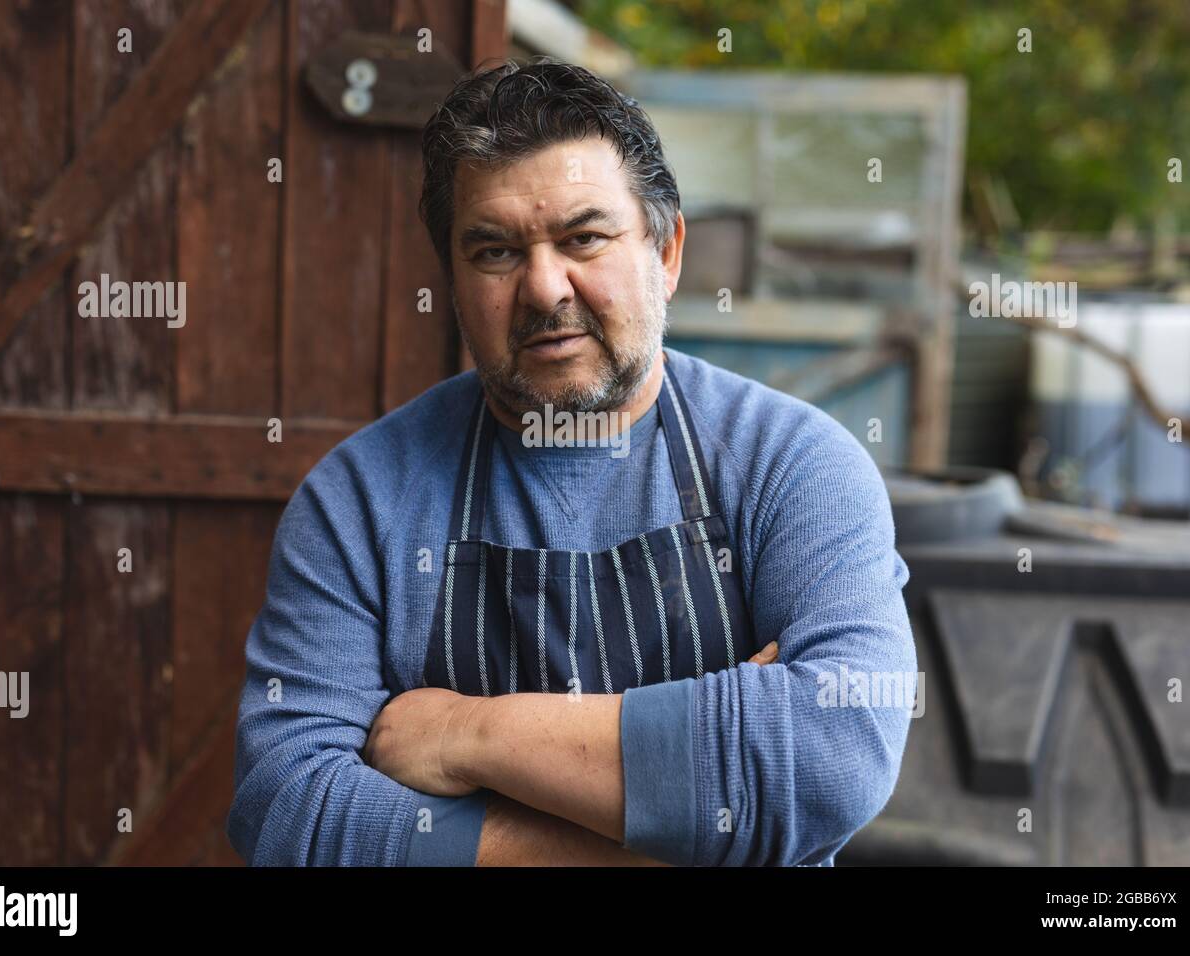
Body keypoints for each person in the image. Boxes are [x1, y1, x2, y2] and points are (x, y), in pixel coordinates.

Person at [226, 58, 916, 867]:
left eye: (584, 238)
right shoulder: (359, 500)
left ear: (666, 252)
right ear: (451, 281)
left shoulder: (791, 465)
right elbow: (288, 808)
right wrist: (691, 818)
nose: (544, 287)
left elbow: (836, 755)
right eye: (493, 252)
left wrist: (463, 734)